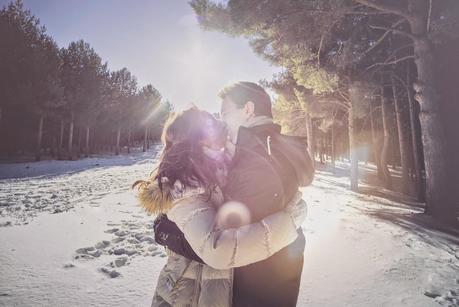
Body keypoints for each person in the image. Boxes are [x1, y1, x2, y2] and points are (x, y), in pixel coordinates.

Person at [153, 82, 315, 307]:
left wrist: (174, 235)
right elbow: (218, 246)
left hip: (240, 291)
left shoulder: (255, 159)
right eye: (211, 124)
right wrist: (171, 231)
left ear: (248, 110)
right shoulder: (193, 179)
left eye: (224, 114)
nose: (220, 125)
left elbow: (226, 243)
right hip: (187, 294)